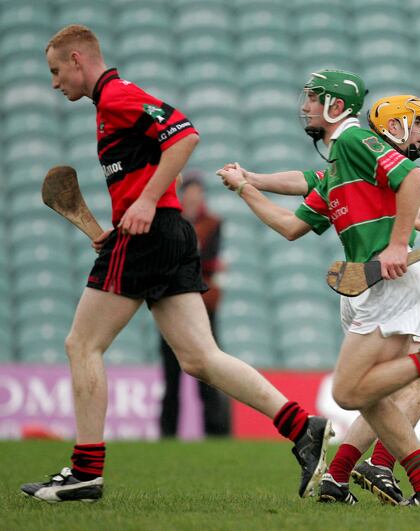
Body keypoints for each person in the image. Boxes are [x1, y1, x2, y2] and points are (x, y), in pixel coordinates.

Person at [22, 24, 331, 503]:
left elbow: (184, 135)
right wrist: (124, 218)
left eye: (56, 70)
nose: (54, 82)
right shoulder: (109, 106)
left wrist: (144, 204)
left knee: (81, 344)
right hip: (161, 234)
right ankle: (303, 428)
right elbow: (153, 168)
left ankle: (85, 472)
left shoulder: (118, 96)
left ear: (79, 59)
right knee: (200, 359)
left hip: (154, 232)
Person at [217, 70, 420, 507]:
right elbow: (291, 224)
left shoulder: (352, 140)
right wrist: (246, 186)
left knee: (348, 392)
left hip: (390, 282)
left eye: (314, 98)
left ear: (335, 105)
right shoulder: (338, 163)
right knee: (371, 394)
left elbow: (412, 178)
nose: (306, 106)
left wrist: (398, 243)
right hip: (366, 287)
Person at [159, 172, 231, 438]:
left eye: (197, 194)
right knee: (171, 375)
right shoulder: (171, 221)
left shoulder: (212, 223)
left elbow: (208, 259)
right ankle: (168, 433)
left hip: (201, 304)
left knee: (208, 372)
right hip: (170, 301)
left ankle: (216, 431)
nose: (193, 198)